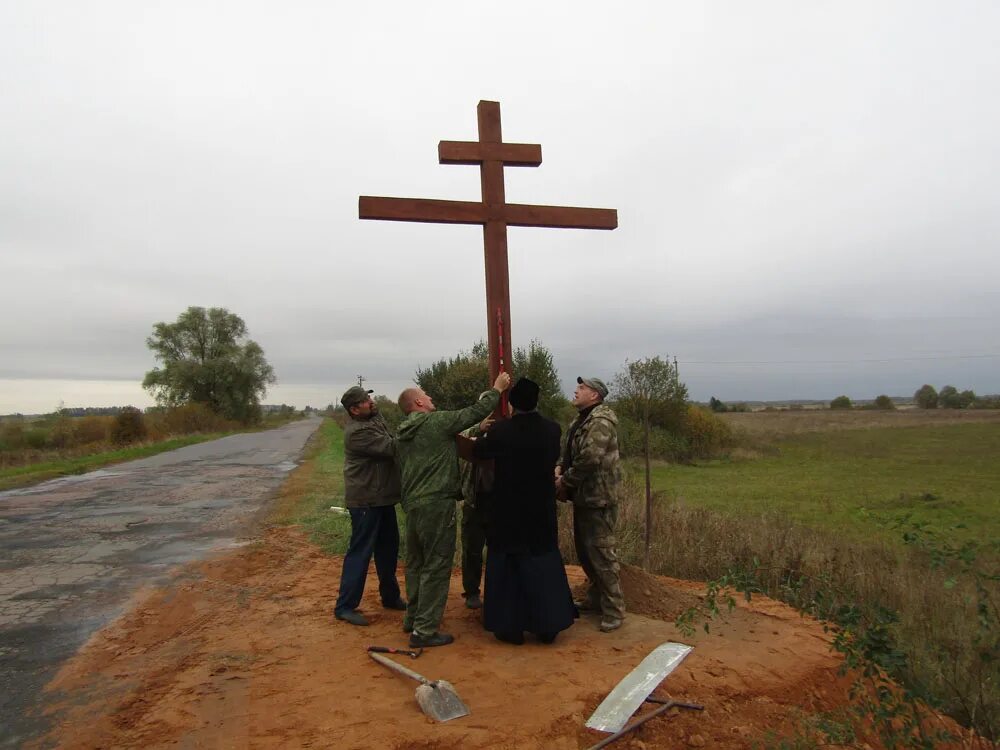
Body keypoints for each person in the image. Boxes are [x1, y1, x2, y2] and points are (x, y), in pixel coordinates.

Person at [395, 370, 511, 648]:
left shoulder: (404, 432)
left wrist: (478, 430)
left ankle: (413, 617)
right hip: (437, 504)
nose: (431, 396)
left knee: (416, 563)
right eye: (426, 395)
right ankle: (424, 631)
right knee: (436, 564)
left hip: (413, 505)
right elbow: (474, 411)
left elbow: (461, 432)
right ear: (418, 404)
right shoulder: (435, 422)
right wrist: (497, 388)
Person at [473, 377, 576, 645]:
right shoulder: (552, 430)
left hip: (507, 512)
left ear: (511, 404)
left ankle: (510, 627)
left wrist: (480, 432)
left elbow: (479, 450)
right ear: (537, 401)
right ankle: (548, 625)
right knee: (543, 566)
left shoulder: (501, 432)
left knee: (508, 568)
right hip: (540, 510)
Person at [555, 376, 626, 633]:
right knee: (586, 551)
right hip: (585, 496)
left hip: (599, 497)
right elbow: (570, 452)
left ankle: (614, 609)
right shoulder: (581, 419)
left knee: (601, 552)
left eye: (582, 388)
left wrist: (564, 480)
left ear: (595, 395)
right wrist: (559, 467)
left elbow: (590, 458)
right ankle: (596, 599)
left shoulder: (600, 421)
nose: (576, 390)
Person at [333, 386, 407, 626]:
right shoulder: (357, 433)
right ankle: (345, 606)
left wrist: (376, 411)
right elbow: (392, 447)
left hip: (382, 498)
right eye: (366, 400)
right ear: (354, 410)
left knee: (388, 549)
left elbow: (387, 433)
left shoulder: (373, 420)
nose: (371, 401)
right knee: (361, 551)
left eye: (369, 397)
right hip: (366, 501)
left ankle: (390, 596)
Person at [457, 392, 497, 611]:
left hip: (499, 503)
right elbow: (459, 439)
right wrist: (479, 429)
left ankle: (497, 590)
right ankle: (471, 591)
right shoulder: (471, 429)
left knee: (498, 549)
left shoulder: (507, 432)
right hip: (475, 500)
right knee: (472, 549)